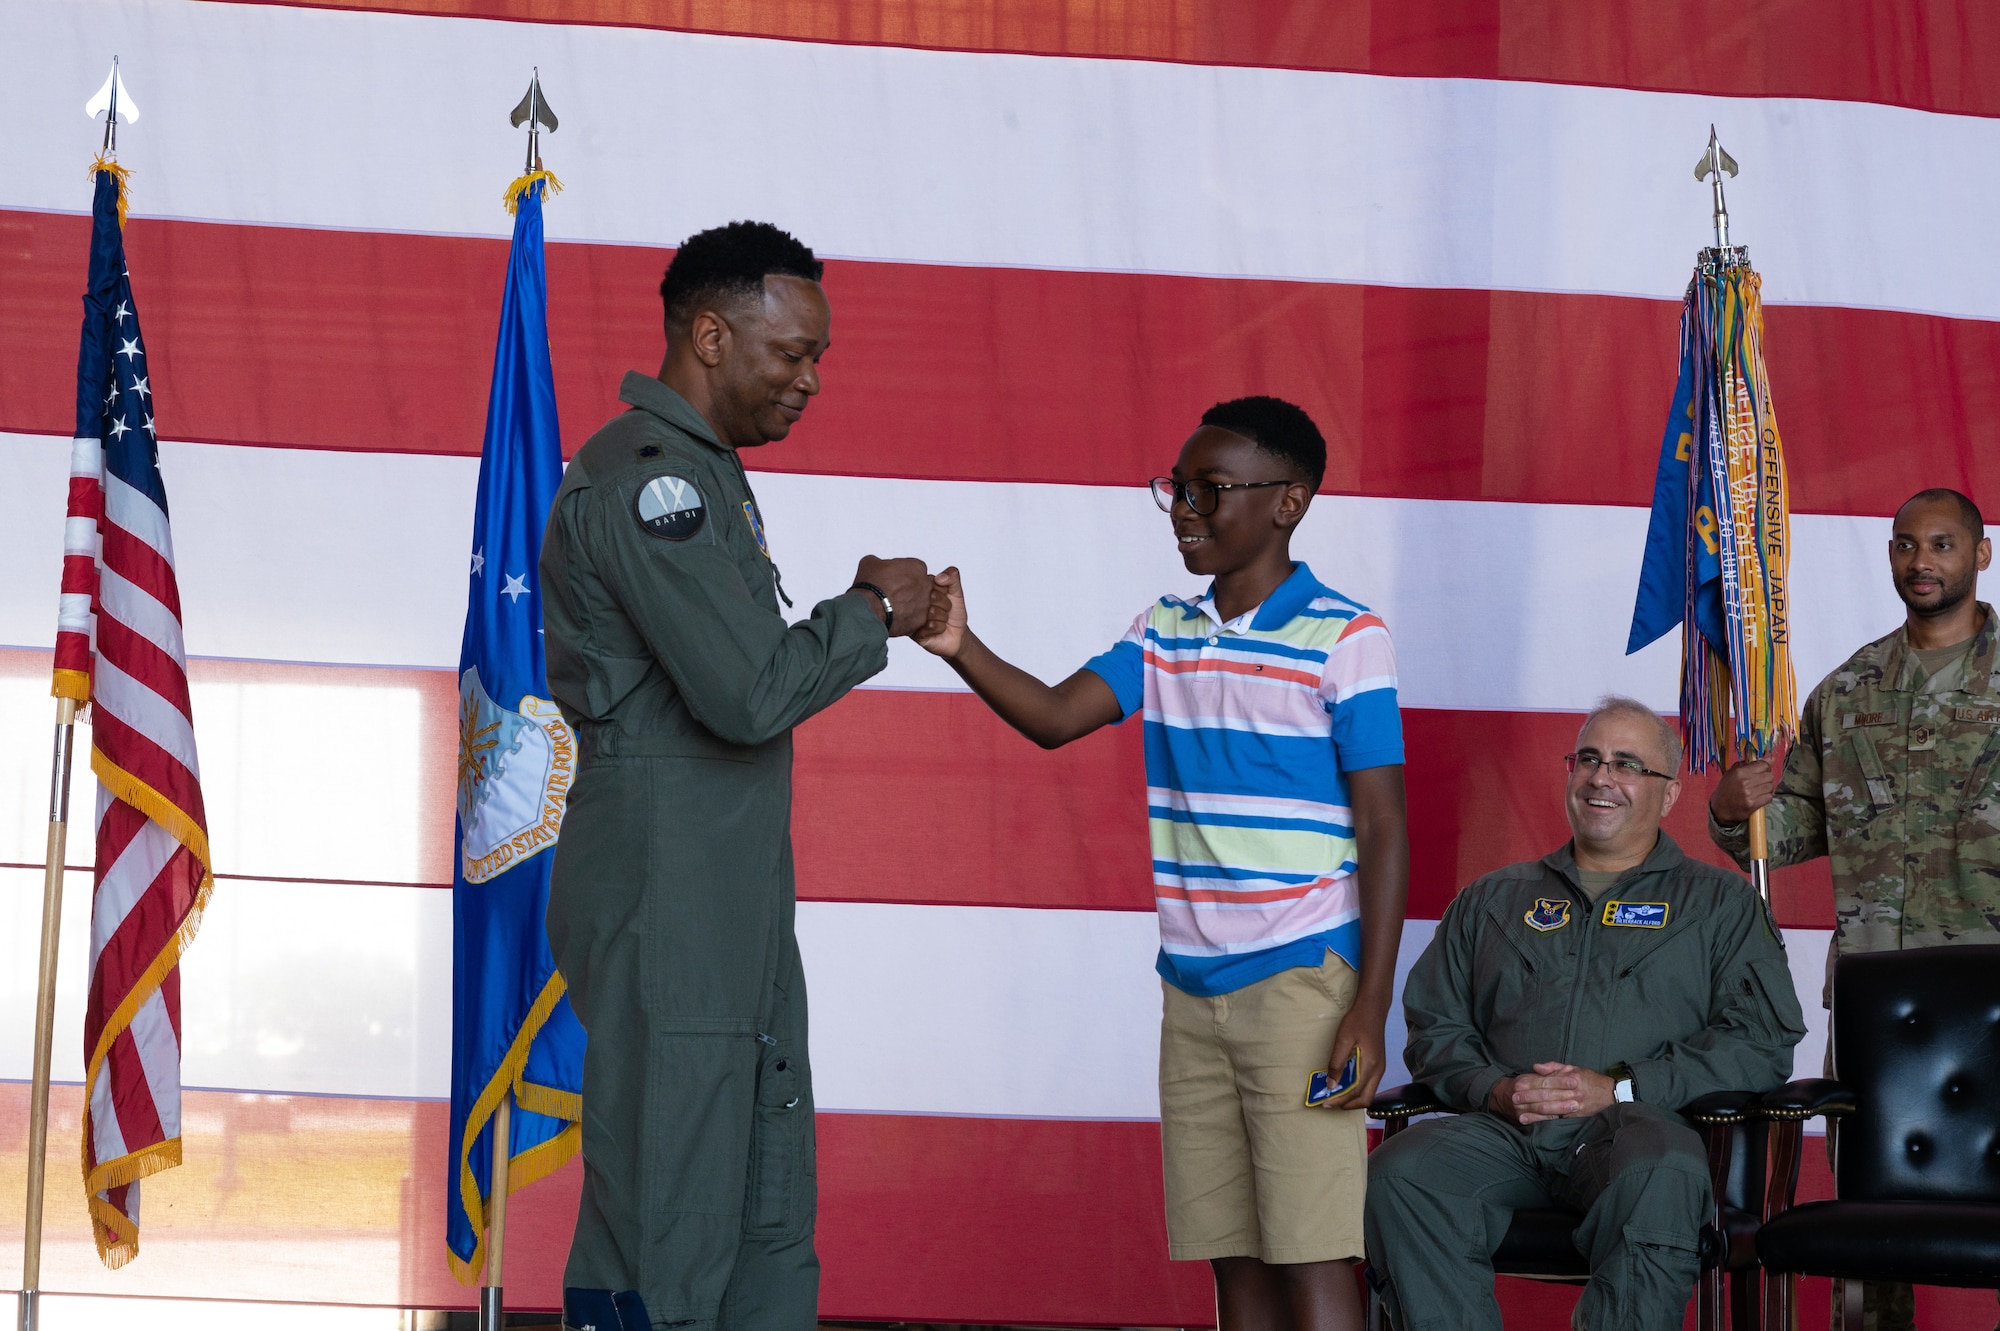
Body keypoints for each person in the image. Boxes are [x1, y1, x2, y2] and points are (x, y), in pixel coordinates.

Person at [917, 396, 1410, 1331]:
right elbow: (1059, 717)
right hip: (1190, 992)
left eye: (1208, 489)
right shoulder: (1164, 628)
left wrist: (1368, 1007)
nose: (1183, 507)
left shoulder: (1347, 637)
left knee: (1312, 1251)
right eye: (1175, 488)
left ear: (1289, 502)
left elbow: (1385, 827)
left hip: (1302, 984)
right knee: (1236, 1261)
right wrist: (959, 646)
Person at [538, 221, 944, 1331]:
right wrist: (869, 613)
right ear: (709, 335)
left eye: (818, 357)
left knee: (762, 1218)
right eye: (790, 352)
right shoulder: (649, 483)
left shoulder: (706, 478)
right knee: (667, 1224)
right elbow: (745, 692)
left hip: (729, 888)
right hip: (668, 888)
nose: (808, 379)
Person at [1365, 698, 1804, 1331]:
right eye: (1589, 759)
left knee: (1660, 1172)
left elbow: (1760, 1042)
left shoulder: (1719, 905)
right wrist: (1492, 1090)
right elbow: (1436, 1024)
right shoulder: (1494, 899)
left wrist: (1623, 1087)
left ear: (1671, 793)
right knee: (1403, 1175)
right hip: (1505, 1134)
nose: (1602, 778)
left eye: (1628, 764)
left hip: (1635, 1131)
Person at [1709, 486, 2000, 1331]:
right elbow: (1793, 832)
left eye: (1942, 545)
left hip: (1992, 980)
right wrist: (1737, 810)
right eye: (1906, 545)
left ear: (1980, 556)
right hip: (1882, 992)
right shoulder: (1848, 690)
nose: (1922, 562)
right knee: (1873, 1212)